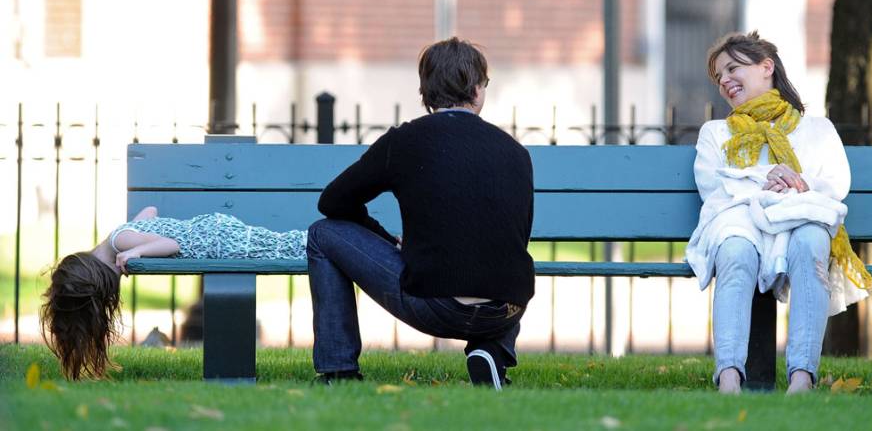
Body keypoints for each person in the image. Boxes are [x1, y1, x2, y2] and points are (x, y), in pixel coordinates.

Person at [306, 37, 534, 390]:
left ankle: (339, 370)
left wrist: (383, 238)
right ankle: (491, 352)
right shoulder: (515, 151)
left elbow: (333, 202)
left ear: (425, 92)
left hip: (437, 304)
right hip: (506, 310)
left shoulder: (405, 141)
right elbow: (517, 235)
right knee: (504, 262)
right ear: (477, 90)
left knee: (323, 233)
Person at [685, 31, 871, 395]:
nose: (724, 81)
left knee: (811, 243)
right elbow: (713, 187)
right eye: (719, 76)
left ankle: (802, 378)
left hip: (801, 221)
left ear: (766, 67)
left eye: (732, 68)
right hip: (741, 223)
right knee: (734, 251)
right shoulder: (716, 133)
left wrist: (795, 184)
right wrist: (767, 178)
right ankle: (728, 377)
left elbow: (835, 183)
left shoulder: (816, 129)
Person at [40, 206, 306, 380]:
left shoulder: (120, 241)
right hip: (212, 232)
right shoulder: (118, 237)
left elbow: (171, 244)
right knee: (279, 245)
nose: (119, 276)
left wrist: (137, 250)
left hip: (217, 241)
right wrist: (141, 238)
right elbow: (150, 212)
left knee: (283, 248)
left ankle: (317, 238)